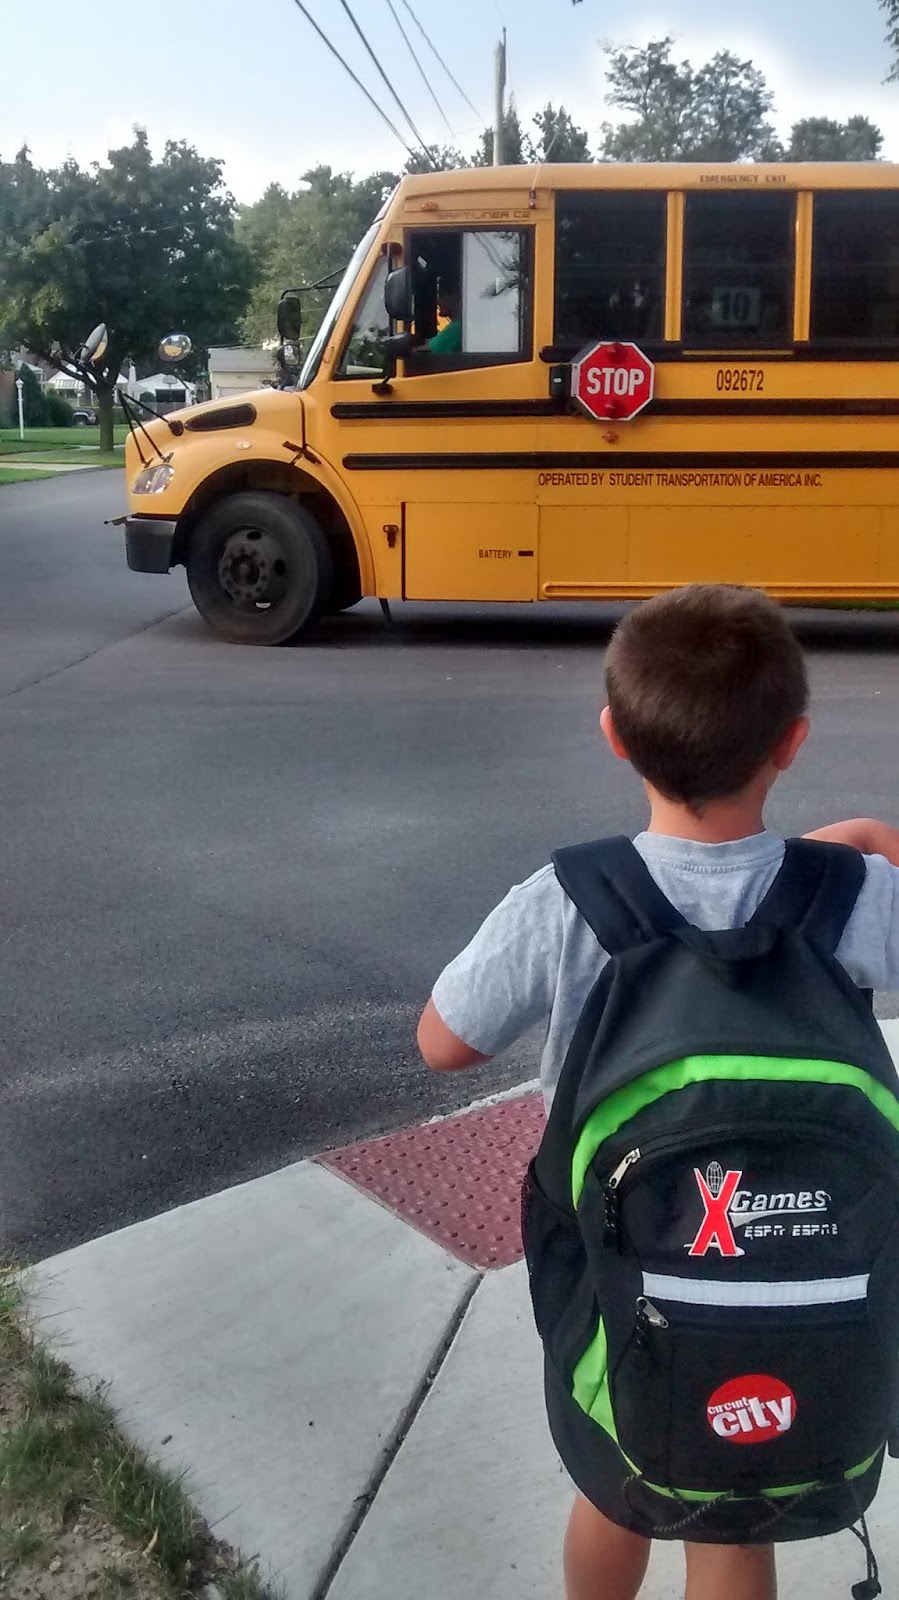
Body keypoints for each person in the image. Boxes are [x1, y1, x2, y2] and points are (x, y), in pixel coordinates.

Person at [417, 583, 899, 1600]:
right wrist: (861, 844)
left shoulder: (568, 900)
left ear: (614, 736)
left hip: (623, 1277)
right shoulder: (854, 896)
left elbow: (442, 1043)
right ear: (791, 742)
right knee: (733, 1527)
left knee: (618, 1477)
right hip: (802, 1279)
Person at [427, 283, 463, 354]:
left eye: (442, 296)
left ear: (456, 297)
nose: (438, 302)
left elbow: (427, 353)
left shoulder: (457, 328)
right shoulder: (464, 325)